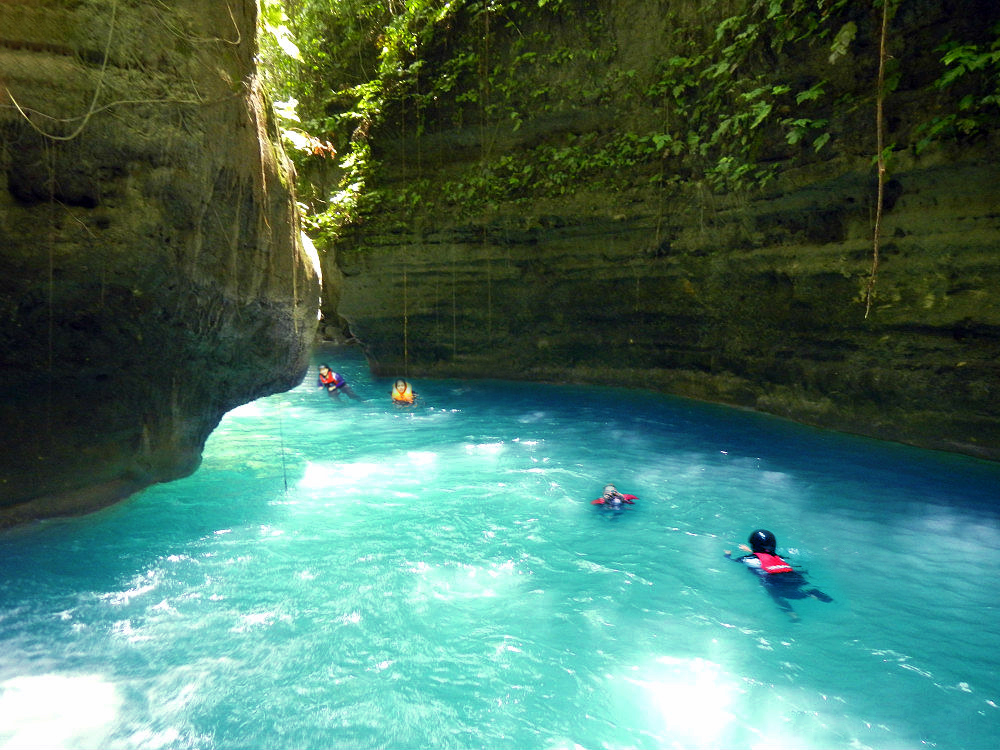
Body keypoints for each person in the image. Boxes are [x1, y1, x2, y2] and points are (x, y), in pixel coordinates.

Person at [725, 529, 832, 619]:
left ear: (754, 546)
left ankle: (794, 615)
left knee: (775, 596)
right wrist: (749, 550)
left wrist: (727, 555)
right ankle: (813, 594)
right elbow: (764, 555)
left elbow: (734, 560)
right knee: (797, 589)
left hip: (775, 579)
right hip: (794, 576)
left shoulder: (748, 559)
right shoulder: (779, 557)